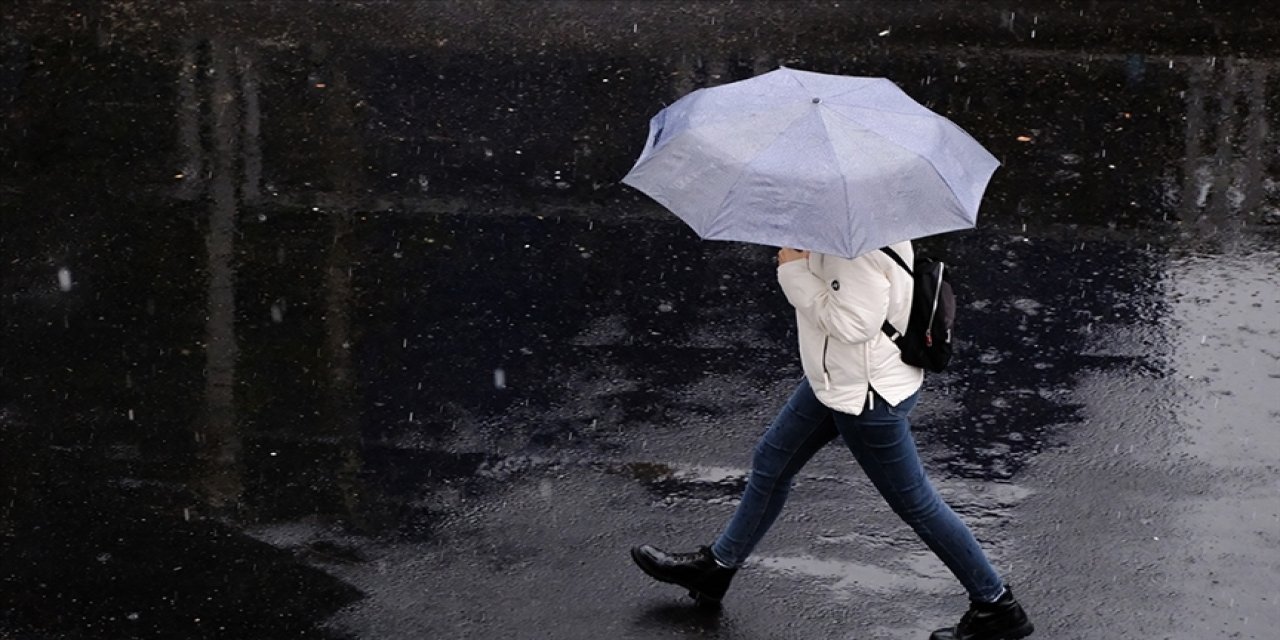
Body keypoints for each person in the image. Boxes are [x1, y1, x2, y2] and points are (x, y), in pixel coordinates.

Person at [630, 243, 1034, 640]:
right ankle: (717, 567)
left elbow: (853, 325)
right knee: (773, 461)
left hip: (866, 396)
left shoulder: (853, 247)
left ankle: (996, 606)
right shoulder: (846, 227)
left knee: (917, 504)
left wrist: (793, 271)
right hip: (837, 380)